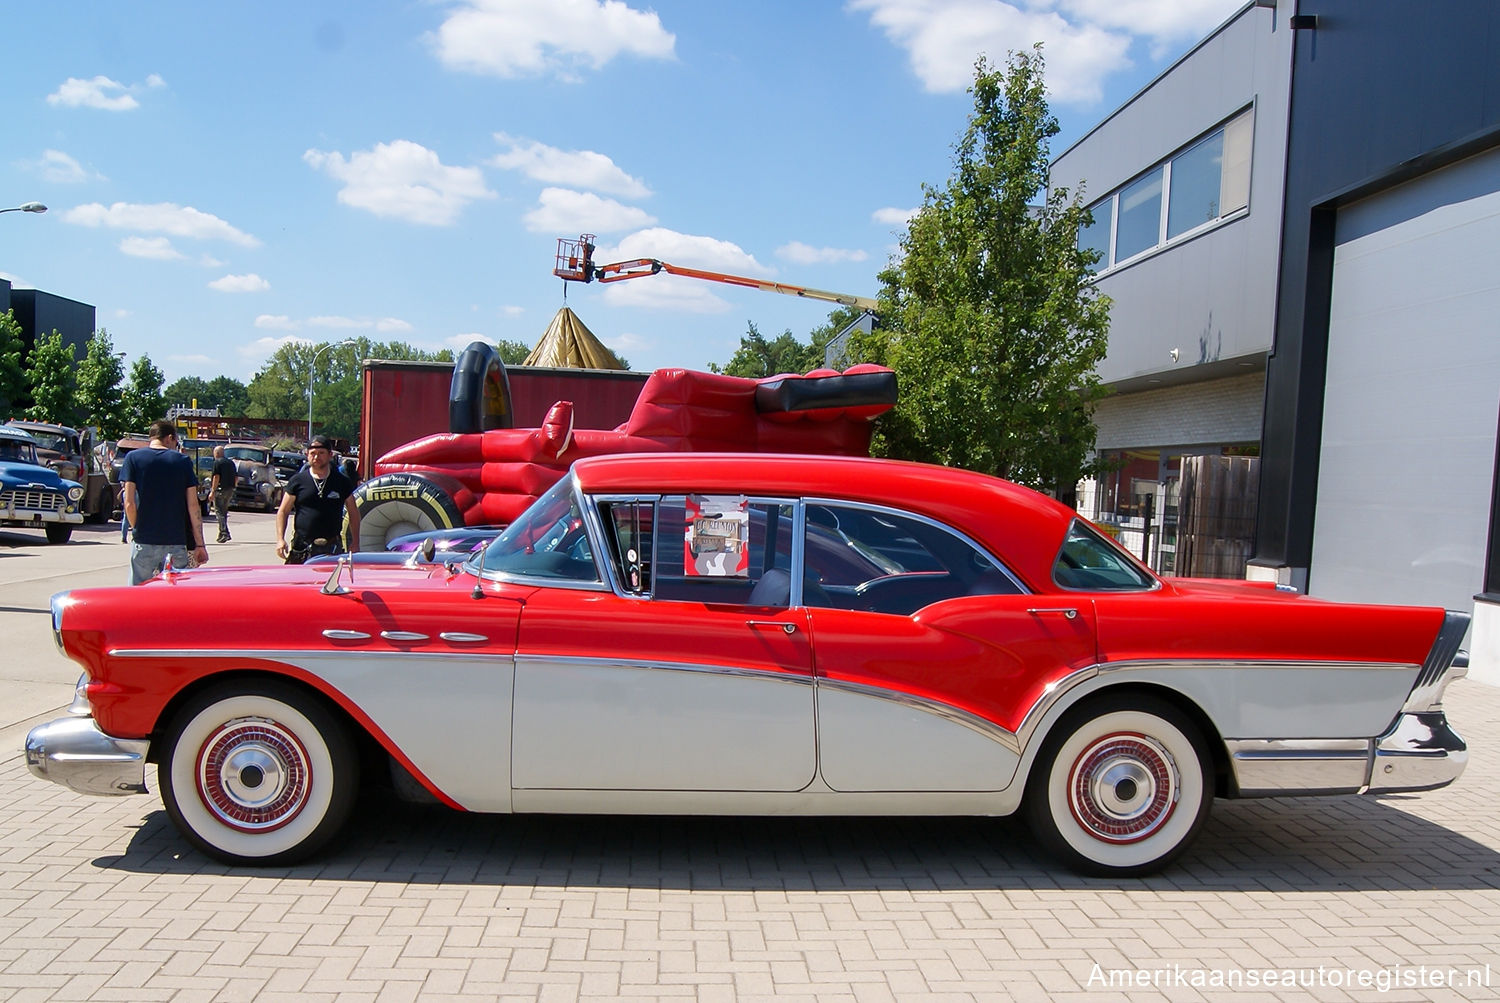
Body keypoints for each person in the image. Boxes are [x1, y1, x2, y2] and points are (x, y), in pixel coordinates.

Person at [120, 420, 209, 585]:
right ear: (170, 438)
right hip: (175, 540)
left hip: (144, 539)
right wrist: (199, 544)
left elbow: (129, 503)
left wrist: (136, 529)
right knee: (174, 597)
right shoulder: (182, 461)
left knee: (139, 593)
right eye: (176, 442)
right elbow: (193, 505)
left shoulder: (132, 458)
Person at [276, 434, 360, 563]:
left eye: (321, 453)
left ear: (330, 455)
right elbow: (283, 511)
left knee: (330, 582)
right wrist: (280, 539)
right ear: (307, 455)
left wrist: (355, 542)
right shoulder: (297, 481)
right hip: (302, 546)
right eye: (313, 453)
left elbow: (353, 512)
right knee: (299, 582)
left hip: (332, 546)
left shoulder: (342, 482)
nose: (316, 457)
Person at [208, 445, 237, 543]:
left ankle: (224, 533)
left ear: (217, 453)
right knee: (224, 512)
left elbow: (216, 477)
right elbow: (236, 477)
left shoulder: (217, 462)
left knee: (219, 512)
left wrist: (212, 491)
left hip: (220, 490)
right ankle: (223, 533)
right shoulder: (231, 463)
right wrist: (234, 486)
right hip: (230, 489)